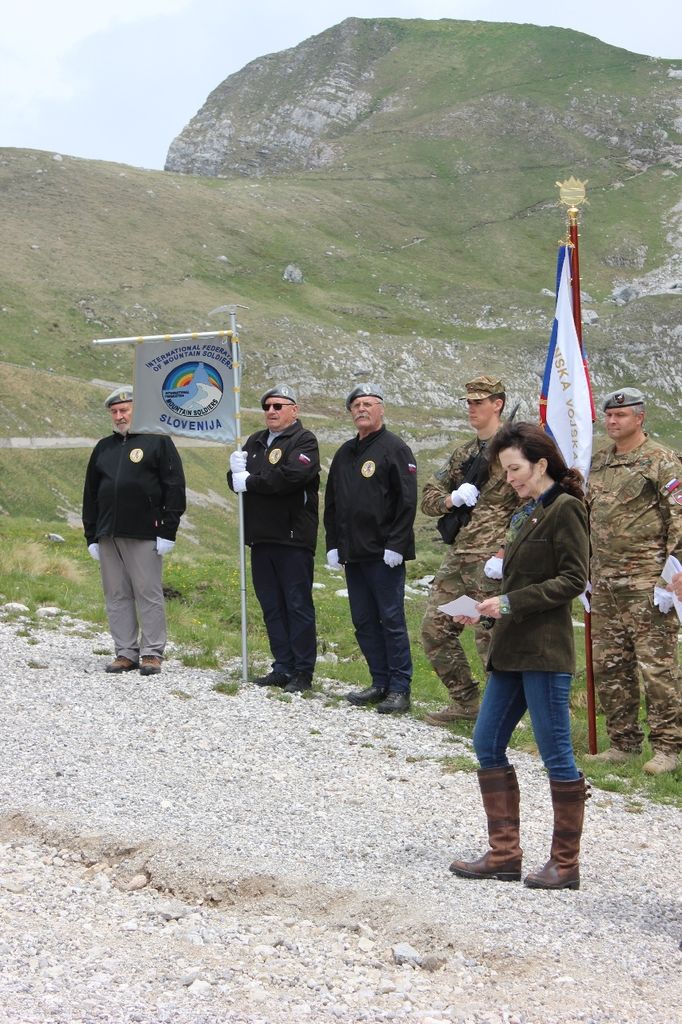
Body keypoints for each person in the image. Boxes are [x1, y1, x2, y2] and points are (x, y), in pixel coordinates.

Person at [449, 422, 590, 891]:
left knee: (556, 754)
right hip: (510, 650)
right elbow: (517, 583)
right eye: (505, 471)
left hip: (545, 652)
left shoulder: (566, 508)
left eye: (514, 470)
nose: (509, 479)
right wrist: (484, 610)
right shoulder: (526, 512)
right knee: (486, 742)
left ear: (540, 464)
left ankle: (564, 864)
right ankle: (504, 855)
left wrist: (508, 603)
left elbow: (573, 580)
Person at [587, 387, 682, 775]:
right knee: (609, 666)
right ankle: (623, 744)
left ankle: (669, 748)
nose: (612, 421)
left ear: (639, 418)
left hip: (647, 583)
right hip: (604, 582)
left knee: (656, 668)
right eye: (609, 415)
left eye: (621, 415)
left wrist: (673, 574)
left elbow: (679, 517)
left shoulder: (661, 460)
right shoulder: (598, 461)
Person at [420, 375, 519, 725]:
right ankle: (466, 703)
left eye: (479, 402)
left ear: (498, 404)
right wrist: (452, 499)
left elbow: (533, 505)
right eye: (469, 402)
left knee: (490, 637)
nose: (472, 408)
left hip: (493, 560)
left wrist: (506, 550)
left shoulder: (515, 451)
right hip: (460, 556)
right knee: (434, 629)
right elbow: (428, 498)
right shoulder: (464, 453)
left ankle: (501, 713)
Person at [324, 384, 417, 714]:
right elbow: (332, 502)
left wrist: (397, 544)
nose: (361, 409)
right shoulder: (345, 453)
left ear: (381, 409)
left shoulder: (395, 448)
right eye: (356, 405)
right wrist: (333, 544)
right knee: (363, 621)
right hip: (353, 553)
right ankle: (379, 682)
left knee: (391, 620)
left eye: (368, 403)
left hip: (383, 555)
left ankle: (400, 689)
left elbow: (407, 501)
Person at [82, 387, 186, 675]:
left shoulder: (158, 441)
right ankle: (126, 652)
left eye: (124, 410)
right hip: (108, 534)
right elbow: (91, 494)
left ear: (136, 411)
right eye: (114, 412)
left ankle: (152, 652)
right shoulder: (103, 447)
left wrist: (168, 530)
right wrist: (91, 535)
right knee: (116, 594)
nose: (119, 416)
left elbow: (174, 487)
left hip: (144, 532)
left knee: (147, 592)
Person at [228, 385, 320, 693]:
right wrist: (233, 473)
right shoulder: (255, 440)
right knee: (271, 606)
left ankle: (303, 671)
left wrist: (250, 480)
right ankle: (282, 666)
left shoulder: (304, 440)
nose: (271, 411)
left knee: (297, 605)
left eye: (278, 406)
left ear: (294, 410)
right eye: (267, 406)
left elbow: (291, 476)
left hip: (292, 537)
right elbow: (239, 484)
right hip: (260, 537)